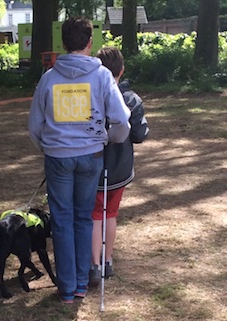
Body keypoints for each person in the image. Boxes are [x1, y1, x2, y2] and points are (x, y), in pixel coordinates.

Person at [27, 16, 131, 304]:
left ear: (63, 43)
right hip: (91, 157)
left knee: (61, 221)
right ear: (89, 43)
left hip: (58, 158)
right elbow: (123, 120)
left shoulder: (48, 78)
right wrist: (110, 138)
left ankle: (67, 287)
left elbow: (34, 127)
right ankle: (82, 283)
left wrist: (49, 147)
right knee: (84, 218)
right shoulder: (102, 77)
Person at [89, 47, 149, 286]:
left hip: (93, 167)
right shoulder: (132, 99)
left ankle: (94, 265)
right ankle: (107, 260)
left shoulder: (91, 95)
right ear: (122, 70)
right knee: (110, 214)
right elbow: (139, 134)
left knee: (94, 216)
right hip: (120, 169)